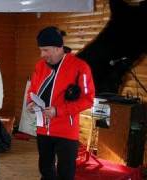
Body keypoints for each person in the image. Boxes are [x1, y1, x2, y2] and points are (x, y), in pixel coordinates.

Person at [26, 26, 95, 180]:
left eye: (45, 50)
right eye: (41, 50)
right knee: (45, 170)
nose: (42, 54)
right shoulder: (40, 66)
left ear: (58, 48)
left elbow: (88, 99)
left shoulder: (80, 67)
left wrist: (58, 111)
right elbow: (32, 90)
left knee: (65, 173)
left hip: (66, 131)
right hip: (43, 129)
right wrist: (30, 102)